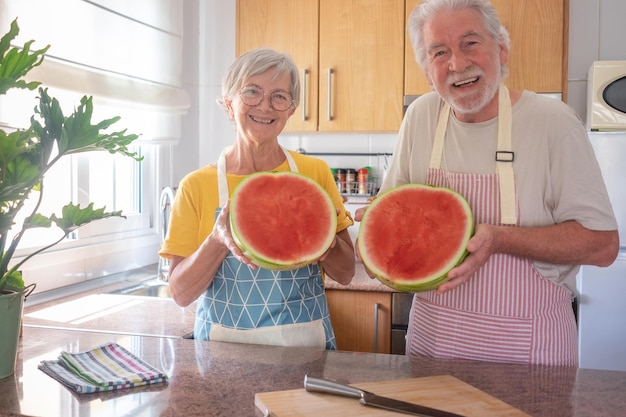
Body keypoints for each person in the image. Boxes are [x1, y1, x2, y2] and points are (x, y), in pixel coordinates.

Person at [356, 0, 619, 366]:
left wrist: (500, 238)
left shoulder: (552, 122)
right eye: (439, 52)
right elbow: (391, 220)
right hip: (432, 346)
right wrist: (376, 240)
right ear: (426, 71)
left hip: (529, 352)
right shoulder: (420, 117)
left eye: (470, 43)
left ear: (501, 49)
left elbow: (602, 246)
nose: (457, 64)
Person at [159, 48, 355, 349]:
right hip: (223, 351)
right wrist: (216, 240)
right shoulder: (195, 186)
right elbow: (182, 294)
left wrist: (325, 240)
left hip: (304, 347)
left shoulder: (313, 173)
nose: (265, 106)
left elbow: (346, 274)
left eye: (279, 96)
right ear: (229, 103)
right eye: (252, 92)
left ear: (291, 109)